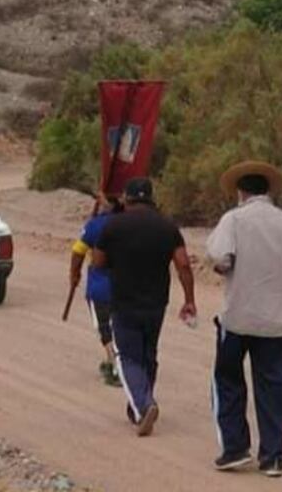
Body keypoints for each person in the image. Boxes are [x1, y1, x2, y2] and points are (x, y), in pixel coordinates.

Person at [205, 161, 282, 478]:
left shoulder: (233, 219)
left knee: (228, 378)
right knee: (274, 386)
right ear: (267, 191)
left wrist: (228, 268)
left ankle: (234, 448)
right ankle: (273, 456)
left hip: (238, 316)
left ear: (240, 192)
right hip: (279, 320)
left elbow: (219, 257)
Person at [92, 177, 196, 437]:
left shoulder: (113, 226)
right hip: (156, 303)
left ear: (126, 198)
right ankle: (139, 403)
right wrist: (189, 299)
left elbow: (98, 263)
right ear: (151, 198)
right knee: (149, 354)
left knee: (127, 356)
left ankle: (144, 403)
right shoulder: (168, 227)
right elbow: (183, 264)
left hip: (124, 301)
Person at [69, 194, 123, 387]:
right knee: (120, 326)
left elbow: (78, 251)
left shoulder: (96, 225)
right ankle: (112, 363)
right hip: (128, 286)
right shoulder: (127, 221)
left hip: (100, 287)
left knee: (105, 329)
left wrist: (74, 274)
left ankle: (117, 367)